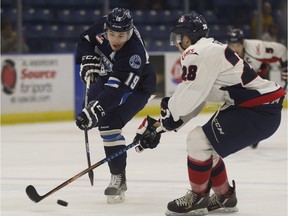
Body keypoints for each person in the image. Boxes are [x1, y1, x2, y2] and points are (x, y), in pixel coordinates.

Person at [138, 11, 286, 215]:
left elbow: (186, 101)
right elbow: (195, 100)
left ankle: (198, 197)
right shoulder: (208, 50)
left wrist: (166, 119)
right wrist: (159, 127)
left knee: (198, 141)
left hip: (258, 110)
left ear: (187, 37)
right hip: (256, 108)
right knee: (206, 147)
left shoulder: (195, 53)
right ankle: (225, 196)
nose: (175, 43)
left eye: (178, 38)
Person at [75, 8, 156, 204]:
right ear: (107, 28)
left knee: (108, 123)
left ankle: (118, 177)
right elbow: (85, 40)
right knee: (89, 116)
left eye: (122, 35)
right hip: (109, 76)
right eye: (112, 34)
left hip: (137, 86)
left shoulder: (133, 53)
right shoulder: (103, 26)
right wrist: (87, 58)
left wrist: (96, 110)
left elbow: (116, 91)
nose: (116, 39)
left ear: (130, 31)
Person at [227, 28, 287, 148]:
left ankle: (254, 134)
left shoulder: (256, 48)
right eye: (231, 45)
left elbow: (281, 50)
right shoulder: (223, 54)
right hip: (241, 83)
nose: (234, 48)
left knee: (260, 110)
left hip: (260, 78)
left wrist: (285, 70)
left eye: (237, 45)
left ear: (243, 44)